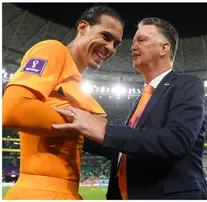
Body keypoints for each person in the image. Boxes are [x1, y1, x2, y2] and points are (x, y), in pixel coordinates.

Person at [52, 17, 207, 199]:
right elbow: (124, 150)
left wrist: (104, 130)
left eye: (142, 40)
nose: (133, 46)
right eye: (133, 41)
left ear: (164, 48)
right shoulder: (141, 101)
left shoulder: (186, 85)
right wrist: (78, 130)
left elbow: (176, 140)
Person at [2, 5, 124, 199]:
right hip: (39, 194)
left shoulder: (76, 82)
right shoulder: (53, 50)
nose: (110, 48)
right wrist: (80, 123)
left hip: (64, 193)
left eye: (116, 44)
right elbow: (12, 108)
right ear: (83, 27)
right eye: (106, 37)